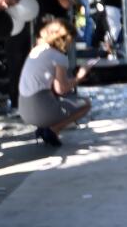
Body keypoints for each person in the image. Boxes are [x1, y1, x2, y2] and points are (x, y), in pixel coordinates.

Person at [17, 17, 93, 147]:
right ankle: (53, 129)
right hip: (40, 109)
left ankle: (45, 127)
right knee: (85, 104)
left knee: (60, 101)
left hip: (24, 109)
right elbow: (61, 89)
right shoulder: (59, 57)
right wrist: (79, 77)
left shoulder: (37, 49)